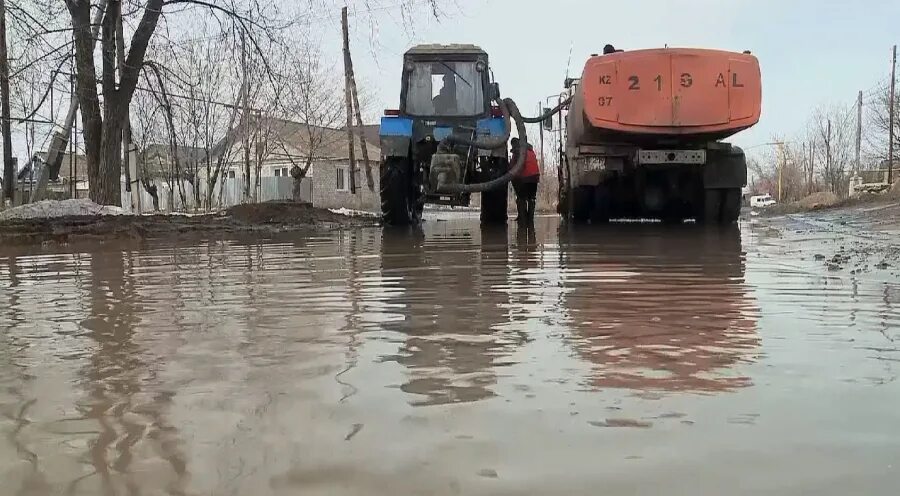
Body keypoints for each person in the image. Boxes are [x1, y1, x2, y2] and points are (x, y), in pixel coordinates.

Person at [510, 137, 540, 224]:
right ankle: (530, 220)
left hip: (525, 177)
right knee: (531, 198)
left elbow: (513, 168)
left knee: (521, 198)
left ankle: (522, 220)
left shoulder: (518, 151)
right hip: (535, 177)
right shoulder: (530, 150)